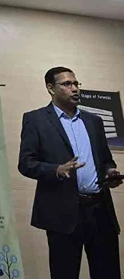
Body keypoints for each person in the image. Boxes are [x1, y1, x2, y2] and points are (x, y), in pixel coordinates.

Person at [18, 66, 122, 279]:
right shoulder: (36, 120)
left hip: (100, 210)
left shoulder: (94, 121)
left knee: (108, 272)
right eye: (67, 84)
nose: (75, 88)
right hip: (62, 212)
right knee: (64, 273)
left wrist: (110, 171)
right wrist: (55, 169)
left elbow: (105, 159)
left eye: (76, 83)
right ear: (51, 88)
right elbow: (26, 163)